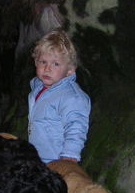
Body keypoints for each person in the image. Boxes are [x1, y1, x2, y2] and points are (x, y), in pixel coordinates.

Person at [27, 29, 91, 163]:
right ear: (35, 62)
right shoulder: (38, 87)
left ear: (70, 70)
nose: (47, 68)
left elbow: (76, 126)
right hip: (37, 159)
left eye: (55, 64)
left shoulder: (72, 97)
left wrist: (69, 156)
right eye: (43, 61)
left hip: (57, 161)